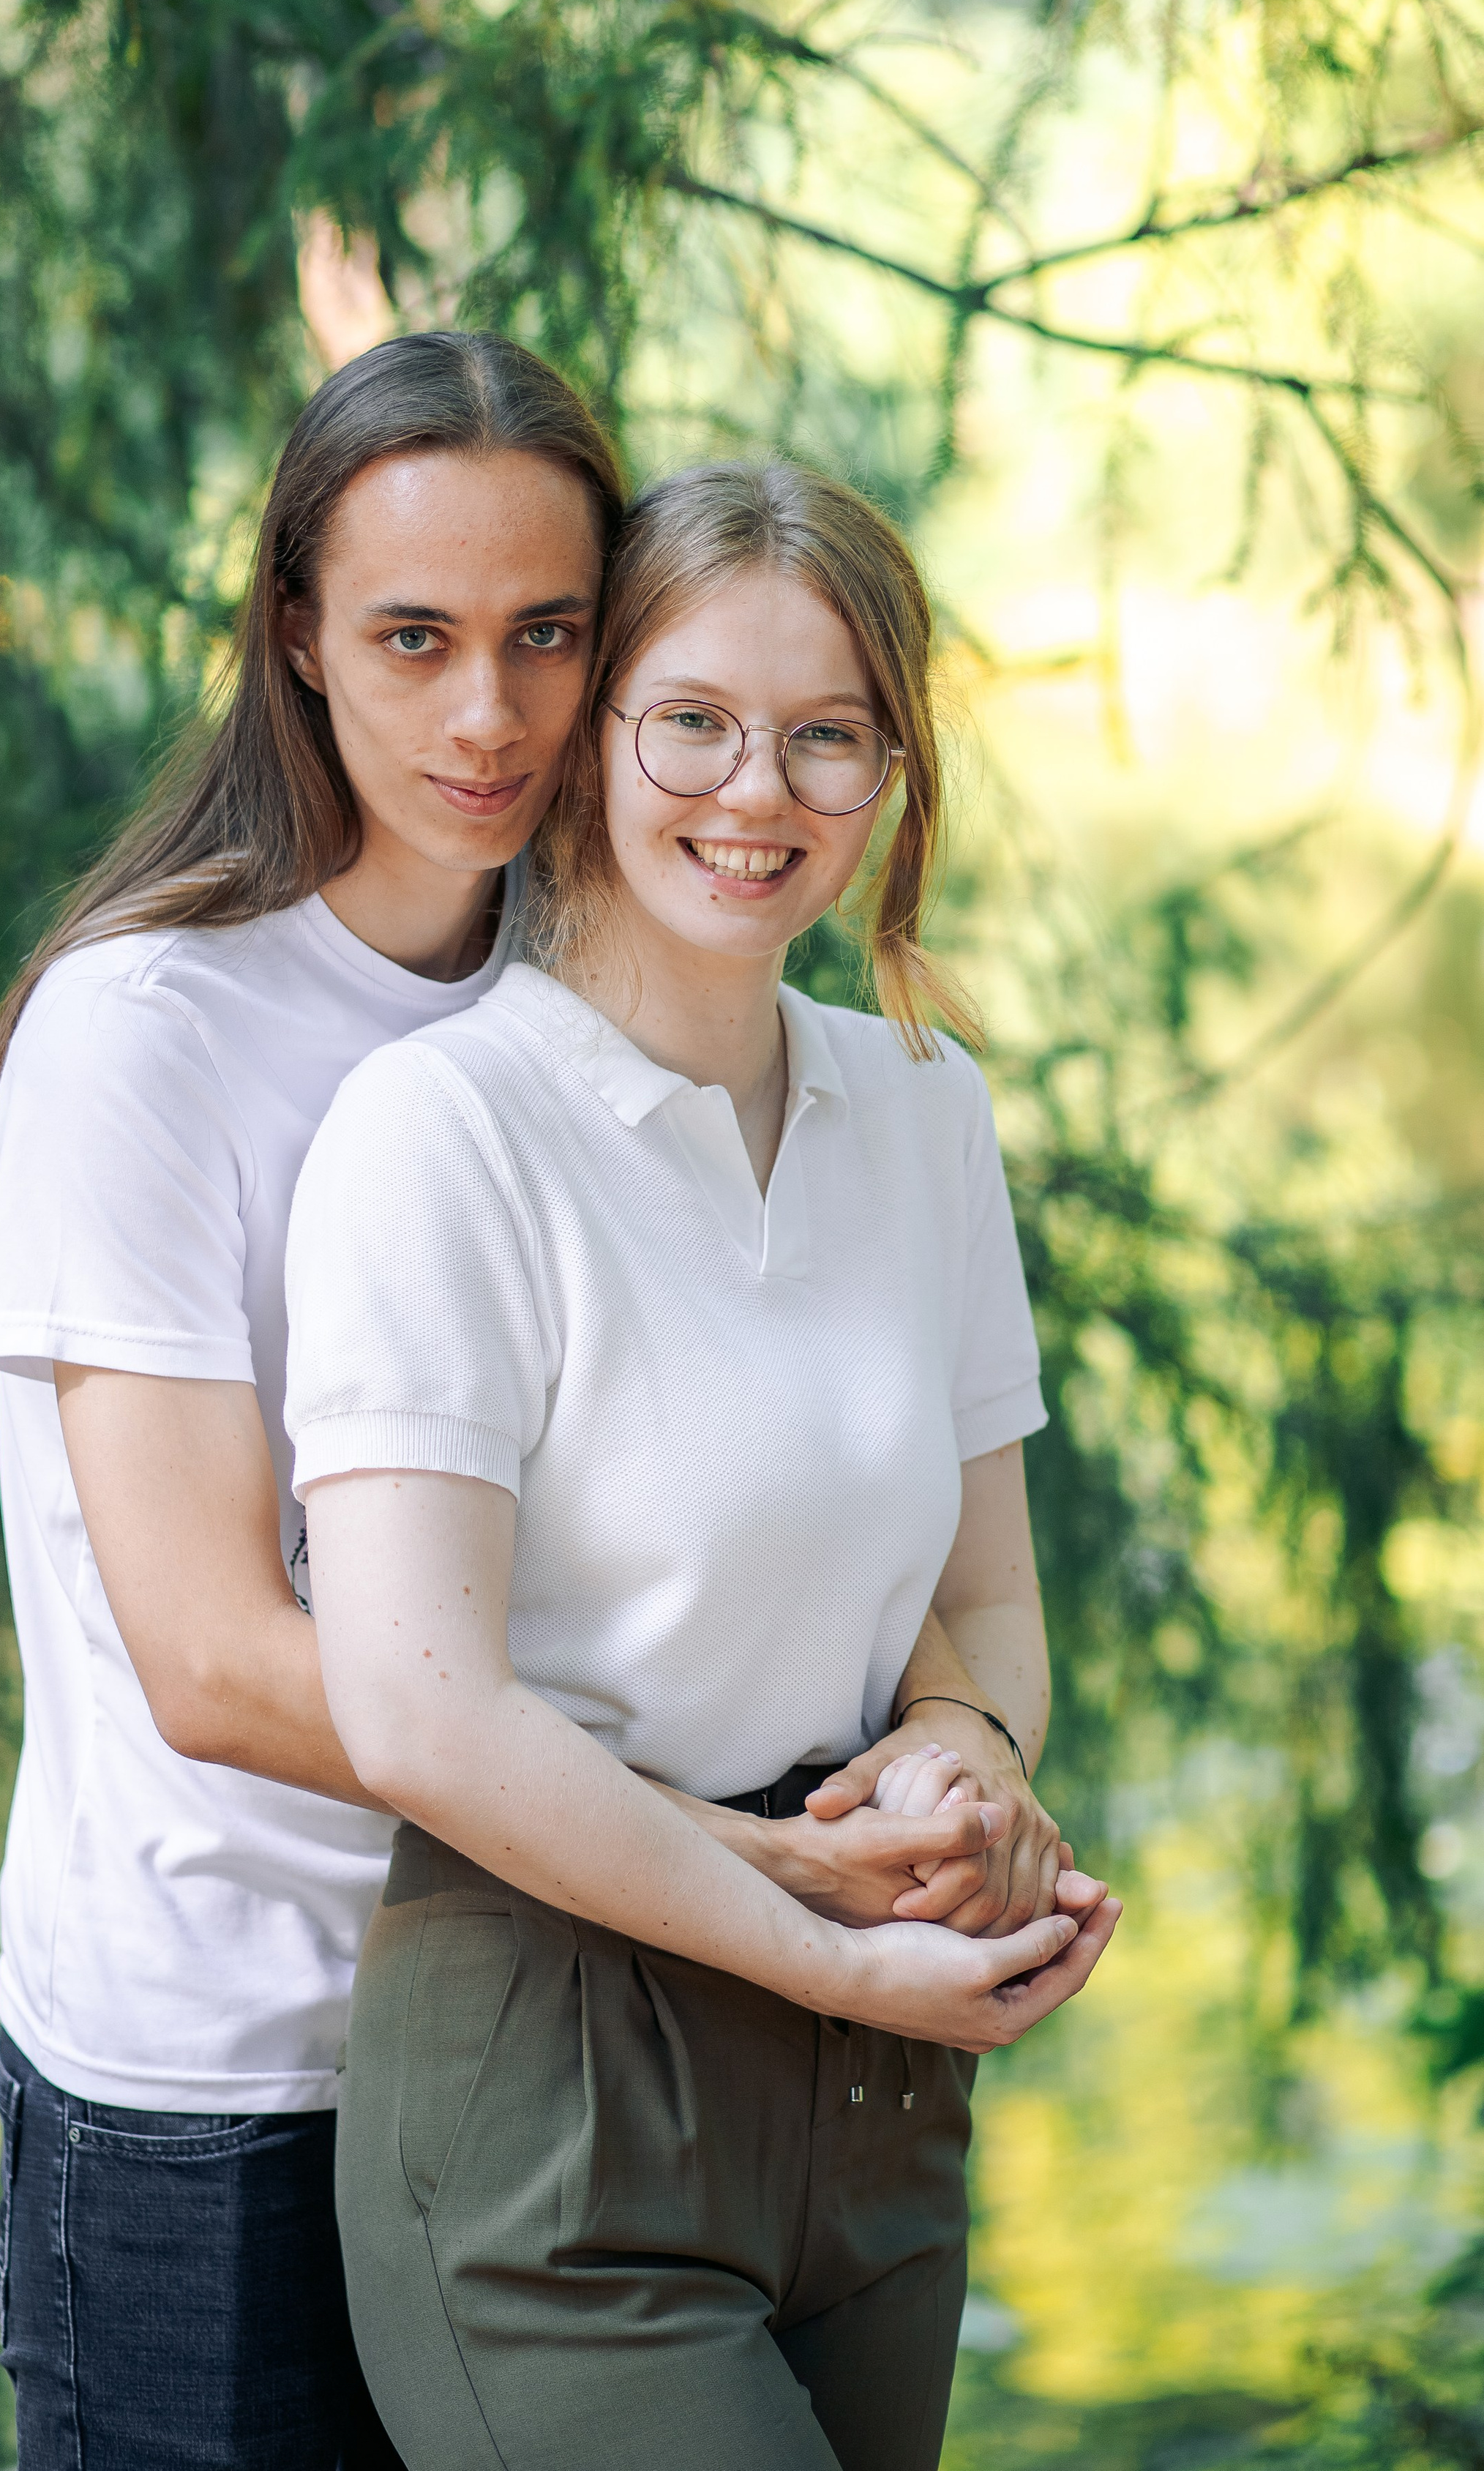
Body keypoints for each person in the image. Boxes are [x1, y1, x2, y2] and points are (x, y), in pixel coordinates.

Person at [283, 459, 1123, 2471]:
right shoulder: (443, 1132)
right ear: (594, 748)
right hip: (560, 2093)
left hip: (885, 2104)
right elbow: (414, 1711)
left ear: (889, 774)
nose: (761, 796)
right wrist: (834, 1941)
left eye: (830, 737)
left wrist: (970, 1765)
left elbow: (987, 1601)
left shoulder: (926, 1113)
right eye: (697, 724)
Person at [0, 332, 625, 2470]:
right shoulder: (143, 1032)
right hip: (227, 2099)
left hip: (562, 2047)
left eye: (552, 638)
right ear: (297, 644)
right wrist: (717, 1848)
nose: (491, 715)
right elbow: (220, 1663)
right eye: (414, 638)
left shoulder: (597, 1004)